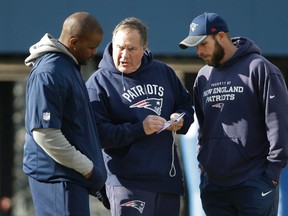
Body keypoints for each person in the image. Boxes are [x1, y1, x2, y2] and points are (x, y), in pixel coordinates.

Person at [179, 12, 288, 216]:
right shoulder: (202, 77)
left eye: (203, 44)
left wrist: (272, 174)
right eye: (196, 46)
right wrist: (204, 169)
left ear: (221, 37)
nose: (199, 52)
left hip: (254, 183)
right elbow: (203, 129)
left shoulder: (260, 69)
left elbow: (279, 125)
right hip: (214, 186)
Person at [86, 17, 194, 216]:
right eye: (119, 47)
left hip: (167, 182)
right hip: (126, 182)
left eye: (132, 49)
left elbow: (186, 105)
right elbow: (97, 134)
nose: (124, 55)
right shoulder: (99, 82)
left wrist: (181, 118)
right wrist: (139, 129)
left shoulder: (164, 73)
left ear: (145, 48)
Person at [23, 12, 107, 216]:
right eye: (91, 47)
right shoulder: (50, 72)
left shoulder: (67, 66)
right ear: (74, 41)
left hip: (69, 179)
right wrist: (88, 168)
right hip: (57, 179)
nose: (94, 52)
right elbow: (46, 134)